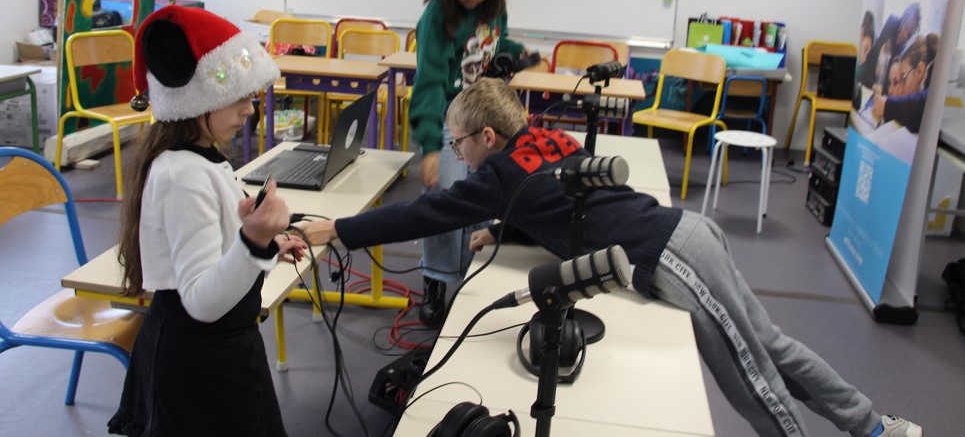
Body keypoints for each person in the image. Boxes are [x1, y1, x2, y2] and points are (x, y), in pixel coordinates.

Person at [297, 78, 922, 437]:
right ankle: (874, 426)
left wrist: (340, 230)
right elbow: (553, 199)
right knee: (771, 347)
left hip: (670, 256)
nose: (459, 155)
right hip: (688, 232)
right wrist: (505, 229)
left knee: (749, 377)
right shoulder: (548, 139)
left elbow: (423, 213)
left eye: (459, 144)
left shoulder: (497, 177)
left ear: (486, 137)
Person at [108, 5, 307, 437]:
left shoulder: (199, 159)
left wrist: (264, 244)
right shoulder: (182, 175)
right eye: (237, 96)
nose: (250, 110)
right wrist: (253, 242)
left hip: (216, 351)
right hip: (199, 367)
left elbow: (217, 249)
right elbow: (201, 302)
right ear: (195, 98)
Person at [407, 0, 529, 327]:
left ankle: (474, 279)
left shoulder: (495, 10)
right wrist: (430, 147)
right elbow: (428, 84)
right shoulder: (436, 18)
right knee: (445, 198)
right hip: (448, 120)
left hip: (484, 118)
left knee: (487, 197)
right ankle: (436, 281)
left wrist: (516, 52)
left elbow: (490, 49)